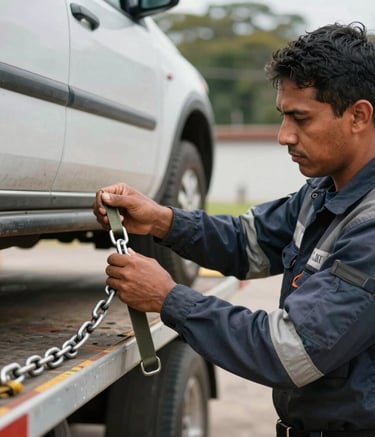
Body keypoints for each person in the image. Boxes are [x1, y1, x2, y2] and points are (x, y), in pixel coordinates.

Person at [93, 22, 375, 436]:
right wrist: (161, 220)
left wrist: (168, 298)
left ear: (359, 116)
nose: (284, 136)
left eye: (300, 118)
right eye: (282, 117)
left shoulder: (369, 229)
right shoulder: (322, 193)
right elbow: (247, 242)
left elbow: (287, 351)